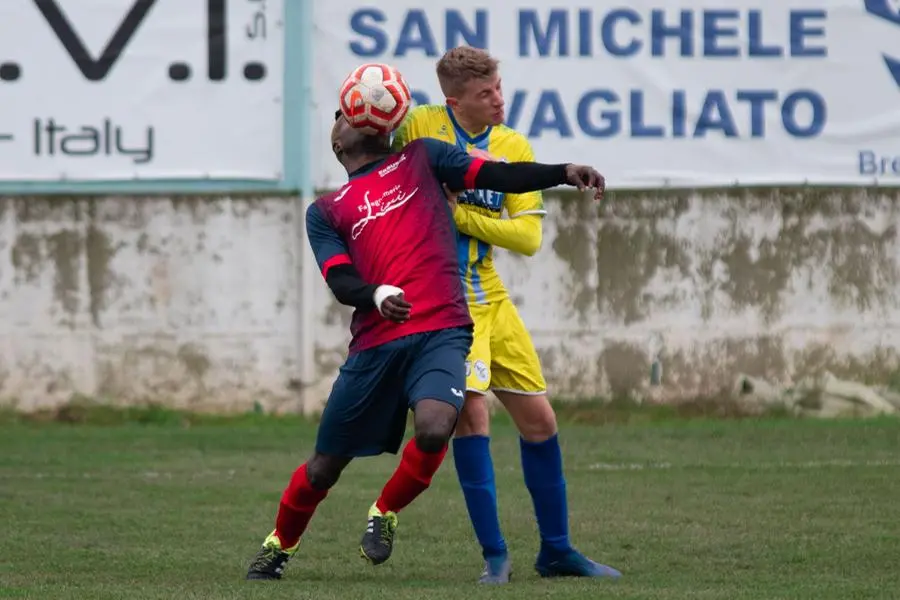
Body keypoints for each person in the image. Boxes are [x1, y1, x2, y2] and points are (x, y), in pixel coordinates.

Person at [245, 105, 607, 581]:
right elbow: (340, 280)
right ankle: (279, 546)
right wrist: (376, 292)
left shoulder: (423, 157)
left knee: (437, 426)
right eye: (341, 113)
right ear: (337, 141)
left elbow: (499, 175)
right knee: (323, 469)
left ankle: (385, 511)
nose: (348, 114)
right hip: (375, 346)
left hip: (441, 329)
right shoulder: (327, 211)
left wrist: (561, 172)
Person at [389, 46, 622, 584]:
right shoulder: (421, 126)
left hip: (492, 296)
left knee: (540, 421)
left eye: (498, 86)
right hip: (444, 304)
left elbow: (528, 237)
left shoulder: (513, 145)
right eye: (484, 94)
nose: (498, 99)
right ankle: (495, 557)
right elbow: (369, 141)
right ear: (454, 101)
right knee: (473, 418)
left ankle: (557, 551)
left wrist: (459, 213)